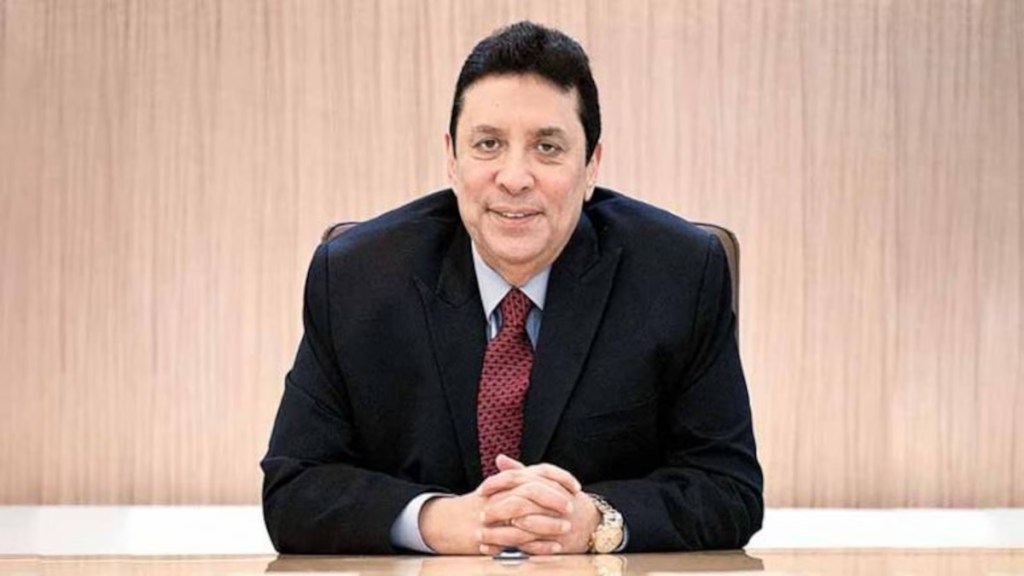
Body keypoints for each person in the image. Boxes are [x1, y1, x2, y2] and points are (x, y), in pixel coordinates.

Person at [261, 21, 762, 555]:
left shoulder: (679, 274)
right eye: (488, 144)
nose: (515, 177)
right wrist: (438, 520)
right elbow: (295, 489)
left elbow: (728, 487)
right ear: (452, 159)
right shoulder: (357, 277)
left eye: (547, 147)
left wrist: (595, 521)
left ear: (591, 166)